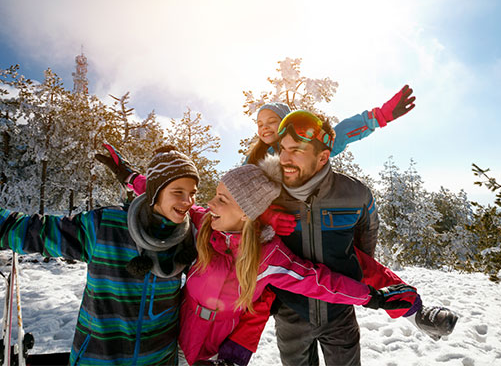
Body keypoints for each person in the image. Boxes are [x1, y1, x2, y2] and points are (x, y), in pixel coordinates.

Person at [95, 145, 420, 365]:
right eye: (215, 195)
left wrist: (372, 298)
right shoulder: (206, 224)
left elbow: (320, 281)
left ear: (249, 214)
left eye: (222, 199)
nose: (210, 204)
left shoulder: (268, 258)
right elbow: (167, 197)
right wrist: (125, 173)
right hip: (173, 340)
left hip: (214, 354)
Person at [268, 110, 458, 365]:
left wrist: (354, 280)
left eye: (296, 151)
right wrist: (264, 214)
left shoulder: (354, 194)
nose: (284, 158)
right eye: (282, 148)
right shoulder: (268, 193)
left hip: (340, 314)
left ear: (323, 157)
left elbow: (365, 247)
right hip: (290, 314)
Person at [0, 146, 202, 365]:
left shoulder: (188, 237)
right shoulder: (106, 225)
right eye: (178, 192)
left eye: (192, 193)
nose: (188, 201)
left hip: (159, 360)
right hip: (99, 358)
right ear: (154, 193)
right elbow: (41, 232)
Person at [246, 85, 416, 165]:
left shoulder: (304, 145)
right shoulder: (255, 156)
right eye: (260, 124)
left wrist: (379, 116)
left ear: (286, 123)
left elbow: (339, 134)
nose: (264, 127)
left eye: (271, 122)